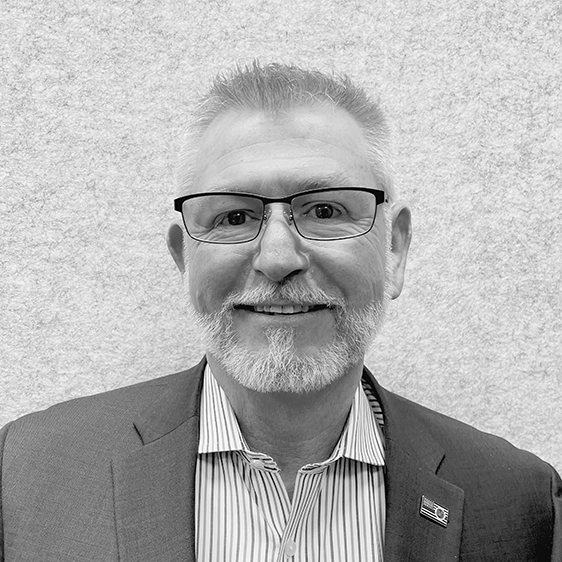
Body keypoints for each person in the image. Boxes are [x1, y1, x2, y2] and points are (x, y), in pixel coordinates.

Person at [0, 62, 560, 562]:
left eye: (325, 210)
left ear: (394, 250)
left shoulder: (519, 502)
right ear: (183, 257)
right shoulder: (27, 475)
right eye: (234, 218)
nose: (277, 258)